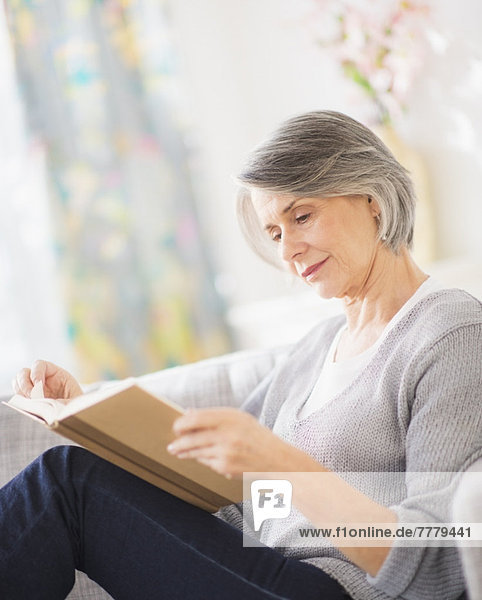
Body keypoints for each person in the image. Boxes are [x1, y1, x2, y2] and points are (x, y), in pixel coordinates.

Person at [2, 110, 481, 600]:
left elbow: (442, 564)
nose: (288, 250)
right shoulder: (316, 349)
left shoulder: (450, 334)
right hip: (265, 572)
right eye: (275, 233)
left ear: (372, 201)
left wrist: (281, 463)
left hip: (334, 592)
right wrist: (95, 421)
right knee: (73, 477)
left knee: (63, 485)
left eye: (302, 216)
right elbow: (222, 499)